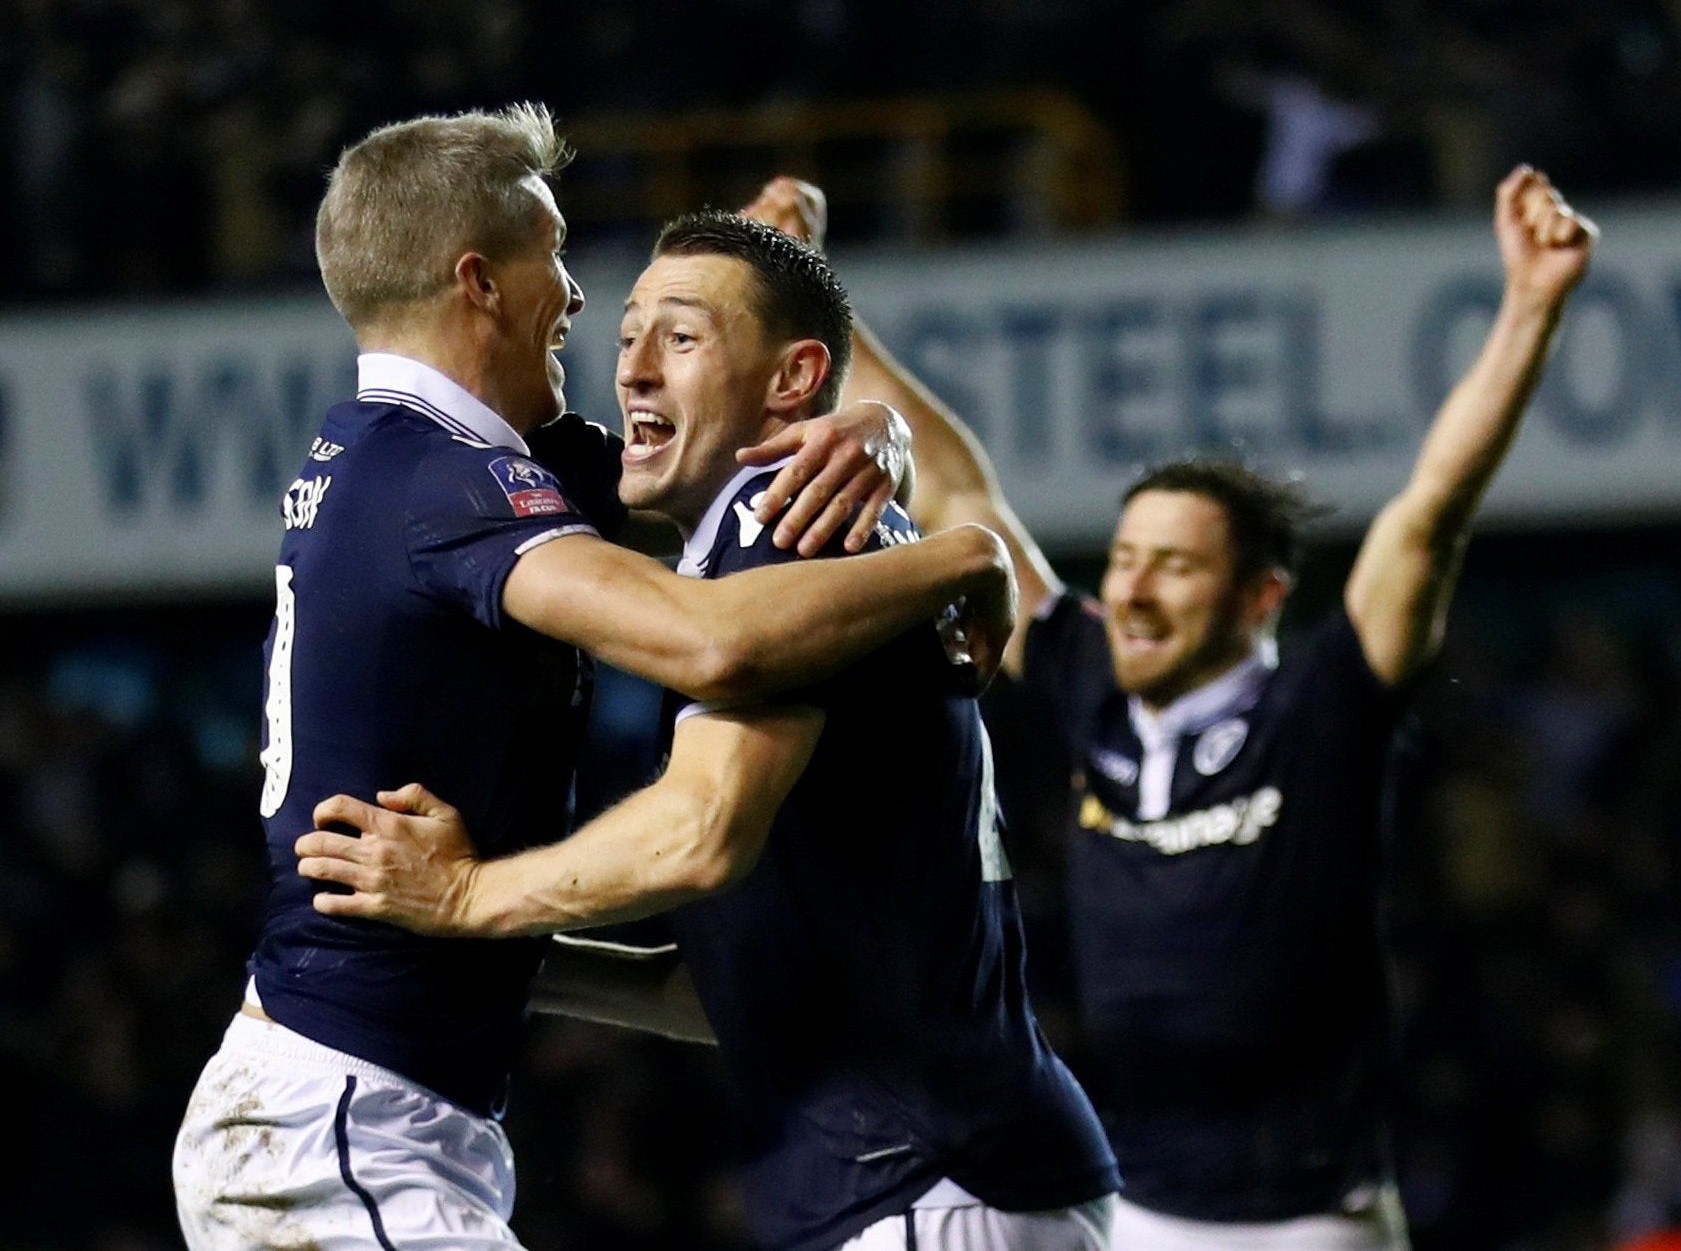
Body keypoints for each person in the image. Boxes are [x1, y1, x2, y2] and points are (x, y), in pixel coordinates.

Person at [170, 105, 1016, 1251]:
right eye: (554, 253)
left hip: (367, 1118)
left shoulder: (437, 459)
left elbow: (719, 456)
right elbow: (715, 641)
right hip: (335, 1130)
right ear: (480, 282)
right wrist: (963, 555)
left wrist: (865, 422)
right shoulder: (444, 484)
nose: (573, 297)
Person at [742, 168, 1596, 1248]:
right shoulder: (1092, 680)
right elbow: (963, 501)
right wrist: (814, 291)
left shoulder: (1319, 709)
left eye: (1176, 568)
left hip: (1306, 1221)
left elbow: (1427, 517)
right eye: (1127, 559)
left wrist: (1530, 305)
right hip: (1137, 1209)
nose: (1133, 589)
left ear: (1260, 598)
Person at [295, 207, 1122, 1251]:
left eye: (678, 338)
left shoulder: (781, 524)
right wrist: (493, 948)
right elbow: (732, 984)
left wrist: (467, 894)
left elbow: (696, 835)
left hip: (934, 1179)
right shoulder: (762, 551)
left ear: (792, 380)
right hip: (955, 1174)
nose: (632, 369)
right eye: (628, 332)